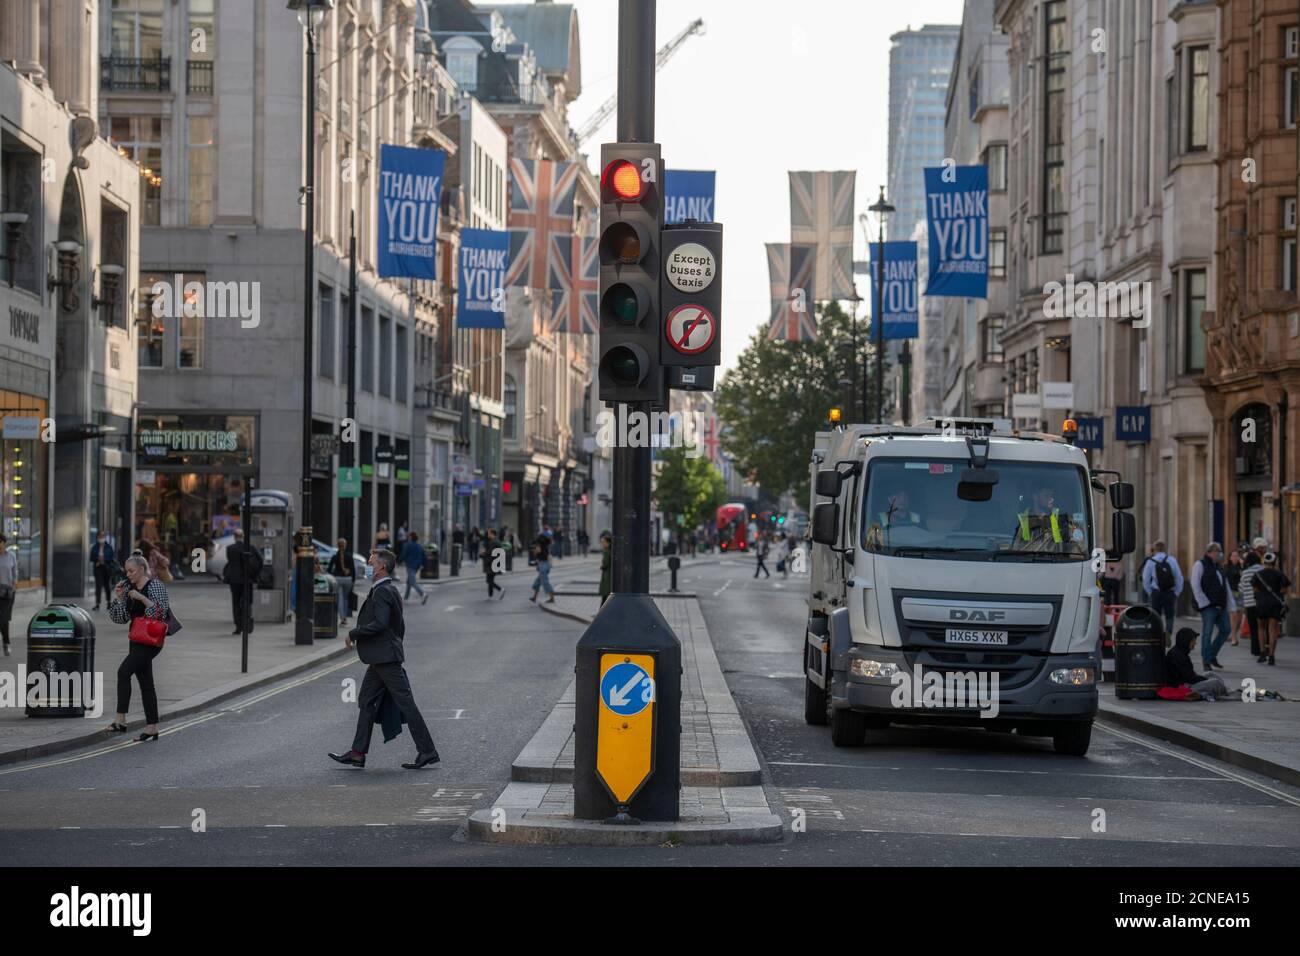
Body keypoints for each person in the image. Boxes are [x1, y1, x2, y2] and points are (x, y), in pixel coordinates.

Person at [328, 549, 440, 770]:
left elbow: (380, 623)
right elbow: (399, 626)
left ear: (381, 567)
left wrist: (354, 633)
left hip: (385, 658)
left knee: (406, 703)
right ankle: (358, 753)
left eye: (370, 562)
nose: (368, 565)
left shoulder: (382, 592)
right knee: (367, 701)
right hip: (382, 657)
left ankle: (427, 751)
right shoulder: (389, 589)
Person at [105, 554, 171, 741]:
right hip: (136, 638)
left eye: (132, 571)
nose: (129, 574)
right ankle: (152, 727)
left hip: (151, 641)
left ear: (142, 569)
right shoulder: (128, 588)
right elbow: (120, 618)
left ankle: (120, 720)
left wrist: (142, 598)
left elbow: (160, 613)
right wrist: (118, 599)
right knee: (146, 684)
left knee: (123, 672)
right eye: (127, 571)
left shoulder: (155, 586)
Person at [1190, 541, 1233, 670]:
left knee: (1226, 630)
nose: (1219, 554)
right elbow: (1195, 584)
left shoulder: (1218, 566)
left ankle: (1211, 655)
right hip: (1208, 606)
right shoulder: (1200, 564)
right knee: (1207, 633)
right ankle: (1206, 661)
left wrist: (1231, 604)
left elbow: (1225, 585)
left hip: (1221, 604)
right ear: (1210, 552)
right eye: (1217, 552)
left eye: (1219, 552)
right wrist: (1203, 602)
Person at [1164, 627, 1229, 701]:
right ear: (1186, 641)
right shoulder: (1179, 656)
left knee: (1210, 674)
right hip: (1185, 687)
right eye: (1193, 641)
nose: (1195, 643)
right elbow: (1191, 679)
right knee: (1214, 682)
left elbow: (1191, 676)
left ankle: (1224, 689)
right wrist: (1206, 680)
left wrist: (1206, 679)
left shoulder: (1180, 652)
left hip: (1188, 682)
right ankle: (1226, 691)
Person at [1251, 552, 1291, 666]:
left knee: (1260, 628)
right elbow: (1284, 590)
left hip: (1261, 603)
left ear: (1264, 562)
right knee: (1272, 630)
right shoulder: (1279, 574)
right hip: (1275, 604)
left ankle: (1262, 653)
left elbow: (1255, 589)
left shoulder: (1258, 574)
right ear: (1274, 562)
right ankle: (1272, 656)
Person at [221, 529, 262, 635]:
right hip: (247, 580)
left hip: (234, 580)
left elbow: (231, 563)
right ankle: (247, 624)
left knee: (235, 602)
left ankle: (238, 626)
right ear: (243, 536)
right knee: (247, 602)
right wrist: (255, 574)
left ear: (234, 537)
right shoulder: (250, 548)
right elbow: (260, 561)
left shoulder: (230, 549)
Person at [1140, 540, 1183, 639]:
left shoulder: (1151, 561)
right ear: (1165, 549)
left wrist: (1150, 592)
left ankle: (1157, 633)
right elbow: (1179, 577)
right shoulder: (1172, 560)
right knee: (1170, 614)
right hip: (1169, 592)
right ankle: (1168, 631)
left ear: (1154, 549)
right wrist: (1176, 592)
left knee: (1155, 614)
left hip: (1156, 592)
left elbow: (1145, 579)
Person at [1240, 542, 1264, 656]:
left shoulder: (1245, 572)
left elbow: (1241, 588)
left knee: (1253, 628)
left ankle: (1255, 650)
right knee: (1263, 627)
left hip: (1249, 604)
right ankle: (1264, 648)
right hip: (1261, 603)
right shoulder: (1263, 570)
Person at [327, 538, 356, 625]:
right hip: (348, 580)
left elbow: (329, 570)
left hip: (338, 579)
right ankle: (345, 617)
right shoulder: (349, 556)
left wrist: (334, 574)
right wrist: (353, 581)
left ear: (338, 546)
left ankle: (342, 618)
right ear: (345, 546)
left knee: (340, 598)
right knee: (345, 598)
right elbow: (353, 570)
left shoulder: (335, 557)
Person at [0, 533, 17, 657]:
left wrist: (14, 585)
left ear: (4, 543)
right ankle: (6, 642)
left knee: (4, 619)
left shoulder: (11, 556)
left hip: (8, 593)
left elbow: (15, 572)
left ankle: (6, 643)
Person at [1224, 547, 1246, 646]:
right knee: (1234, 615)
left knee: (1240, 617)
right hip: (1230, 593)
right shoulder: (1226, 567)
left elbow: (1244, 579)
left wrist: (1242, 566)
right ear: (1230, 558)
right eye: (1233, 556)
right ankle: (1233, 637)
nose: (1235, 558)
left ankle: (1233, 634)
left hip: (1240, 593)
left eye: (1237, 556)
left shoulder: (1242, 567)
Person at [400, 532, 428, 604]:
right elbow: (424, 556)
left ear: (411, 537)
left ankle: (422, 594)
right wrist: (422, 564)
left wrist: (398, 561)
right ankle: (406, 598)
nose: (408, 537)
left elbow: (404, 554)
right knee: (409, 581)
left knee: (412, 582)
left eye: (409, 536)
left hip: (410, 565)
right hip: (417, 566)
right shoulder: (419, 546)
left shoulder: (408, 545)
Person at [90, 532, 116, 611]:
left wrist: (104, 559)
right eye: (99, 536)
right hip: (98, 568)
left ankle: (109, 602)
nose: (101, 538)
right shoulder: (94, 547)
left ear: (104, 537)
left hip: (107, 568)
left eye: (102, 536)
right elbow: (91, 558)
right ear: (97, 537)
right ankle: (97, 604)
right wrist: (98, 559)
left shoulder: (109, 547)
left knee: (107, 586)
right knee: (98, 586)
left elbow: (112, 558)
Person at [482, 528, 504, 600]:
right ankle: (490, 596)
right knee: (490, 580)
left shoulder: (493, 542)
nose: (487, 535)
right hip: (494, 563)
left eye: (488, 533)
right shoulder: (495, 541)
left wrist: (484, 553)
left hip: (492, 564)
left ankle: (501, 589)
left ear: (492, 534)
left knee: (489, 580)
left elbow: (490, 553)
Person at [598, 532, 613, 607]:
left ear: (608, 543)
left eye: (604, 542)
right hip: (609, 575)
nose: (602, 544)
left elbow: (606, 564)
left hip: (607, 576)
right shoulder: (610, 551)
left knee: (605, 595)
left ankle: (601, 611)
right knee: (606, 596)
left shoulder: (607, 552)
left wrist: (602, 567)